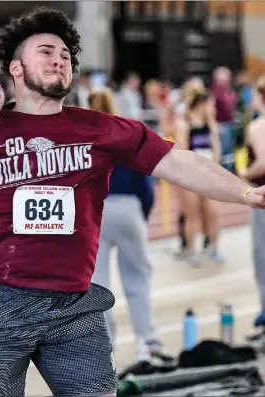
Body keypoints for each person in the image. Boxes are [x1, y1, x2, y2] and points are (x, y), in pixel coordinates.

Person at [0, 7, 265, 397]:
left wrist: (247, 193)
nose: (59, 60)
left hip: (74, 304)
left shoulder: (101, 128)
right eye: (46, 51)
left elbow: (181, 163)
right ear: (15, 68)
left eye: (65, 55)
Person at [88, 90, 176, 372]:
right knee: (138, 279)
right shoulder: (124, 133)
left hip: (96, 211)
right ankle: (148, 343)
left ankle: (104, 351)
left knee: (97, 285)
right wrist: (143, 214)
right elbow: (144, 181)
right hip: (127, 207)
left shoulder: (83, 138)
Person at [174, 90, 223, 265]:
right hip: (191, 175)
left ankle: (214, 248)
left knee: (214, 213)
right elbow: (183, 150)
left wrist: (214, 169)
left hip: (208, 174)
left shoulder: (210, 123)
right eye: (211, 104)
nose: (213, 108)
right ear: (202, 104)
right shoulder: (184, 122)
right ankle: (191, 249)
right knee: (192, 214)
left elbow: (216, 148)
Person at [242, 75, 265, 346]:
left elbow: (263, 162)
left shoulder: (259, 126)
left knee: (262, 260)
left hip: (262, 196)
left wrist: (243, 172)